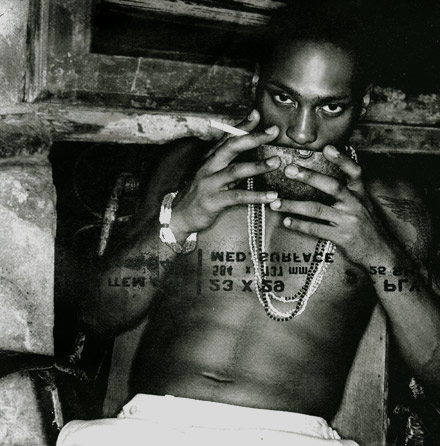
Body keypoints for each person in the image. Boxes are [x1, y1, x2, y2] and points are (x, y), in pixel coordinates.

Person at [57, 3, 440, 445]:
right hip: (148, 428)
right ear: (257, 85)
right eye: (284, 99)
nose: (301, 132)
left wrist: (379, 253)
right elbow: (96, 317)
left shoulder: (387, 202)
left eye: (331, 107)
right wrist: (176, 223)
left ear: (363, 103)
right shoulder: (189, 169)